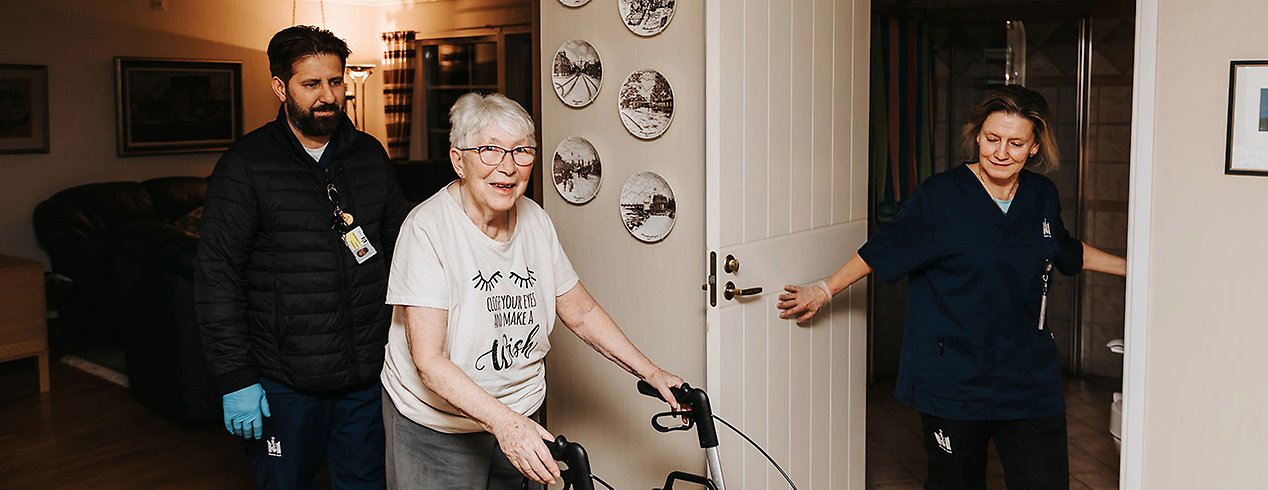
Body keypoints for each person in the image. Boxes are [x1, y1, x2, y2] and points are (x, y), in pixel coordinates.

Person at [776, 85, 1126, 489]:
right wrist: (824, 289)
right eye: (992, 138)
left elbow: (1063, 248)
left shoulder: (1041, 195)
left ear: (1034, 148)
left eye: (1015, 143)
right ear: (977, 135)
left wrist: (1135, 269)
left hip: (1028, 377)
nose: (1000, 151)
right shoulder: (939, 196)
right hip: (954, 376)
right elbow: (883, 249)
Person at [380, 92, 684, 488]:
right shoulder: (426, 230)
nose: (507, 167)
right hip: (439, 427)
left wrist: (651, 372)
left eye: (522, 151)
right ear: (459, 160)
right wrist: (506, 424)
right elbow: (430, 361)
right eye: (490, 150)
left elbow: (580, 311)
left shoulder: (535, 220)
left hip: (521, 413)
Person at [196, 25, 405, 489]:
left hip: (366, 377)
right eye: (311, 84)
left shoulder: (370, 155)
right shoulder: (245, 165)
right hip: (284, 383)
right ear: (280, 87)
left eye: (335, 81)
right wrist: (236, 378)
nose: (328, 96)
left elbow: (401, 252)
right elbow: (217, 277)